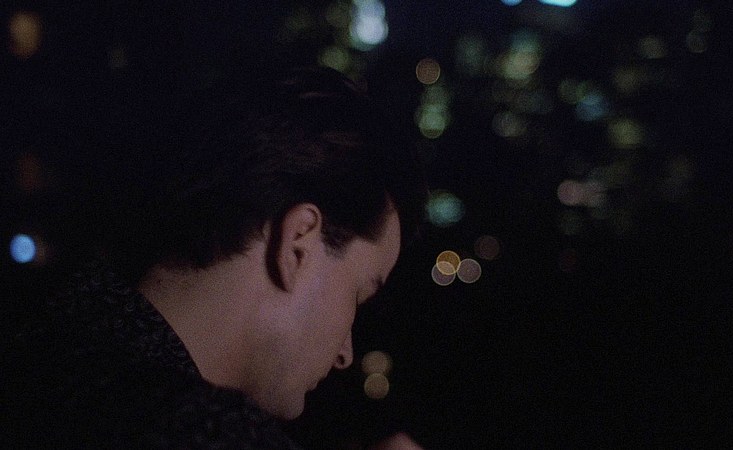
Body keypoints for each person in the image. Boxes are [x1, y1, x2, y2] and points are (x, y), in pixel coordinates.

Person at [3, 67, 426, 448]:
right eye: (359, 295)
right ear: (298, 242)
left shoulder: (43, 355)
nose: (345, 354)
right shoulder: (205, 431)